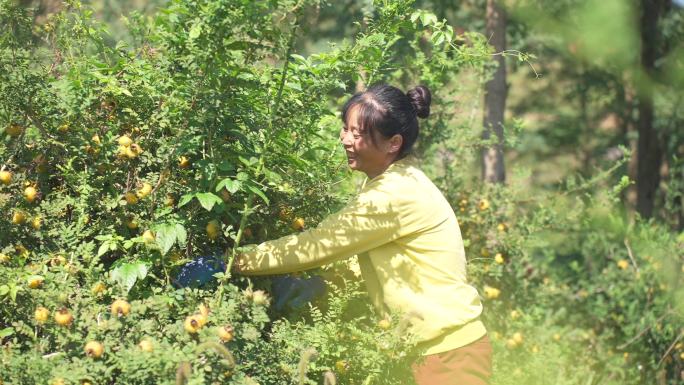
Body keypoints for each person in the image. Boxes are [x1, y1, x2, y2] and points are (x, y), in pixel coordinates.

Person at [233, 84, 492, 385]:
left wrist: (235, 262)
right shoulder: (397, 180)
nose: (345, 140)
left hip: (449, 356)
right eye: (345, 129)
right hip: (431, 351)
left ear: (393, 143)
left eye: (357, 134)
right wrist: (328, 281)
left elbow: (321, 243)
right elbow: (381, 257)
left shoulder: (395, 193)